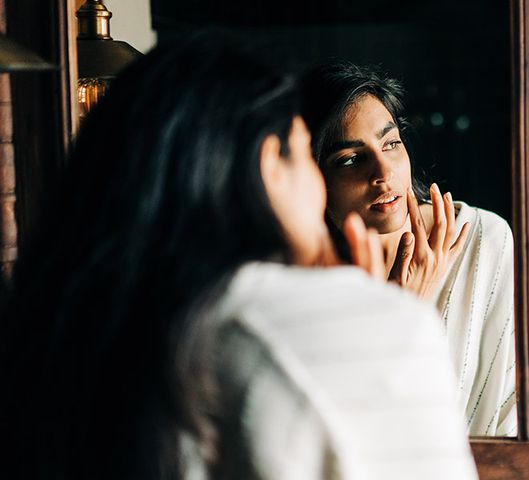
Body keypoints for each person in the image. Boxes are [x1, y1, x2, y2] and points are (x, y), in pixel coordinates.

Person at [0, 32, 478, 479]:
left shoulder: (66, 334)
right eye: (326, 159)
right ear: (272, 166)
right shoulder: (364, 326)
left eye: (391, 142)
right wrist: (385, 321)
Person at [301, 63, 517, 436]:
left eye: (391, 143)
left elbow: (508, 411)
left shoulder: (485, 241)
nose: (383, 172)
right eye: (350, 159)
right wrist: (402, 310)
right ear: (314, 180)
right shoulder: (306, 282)